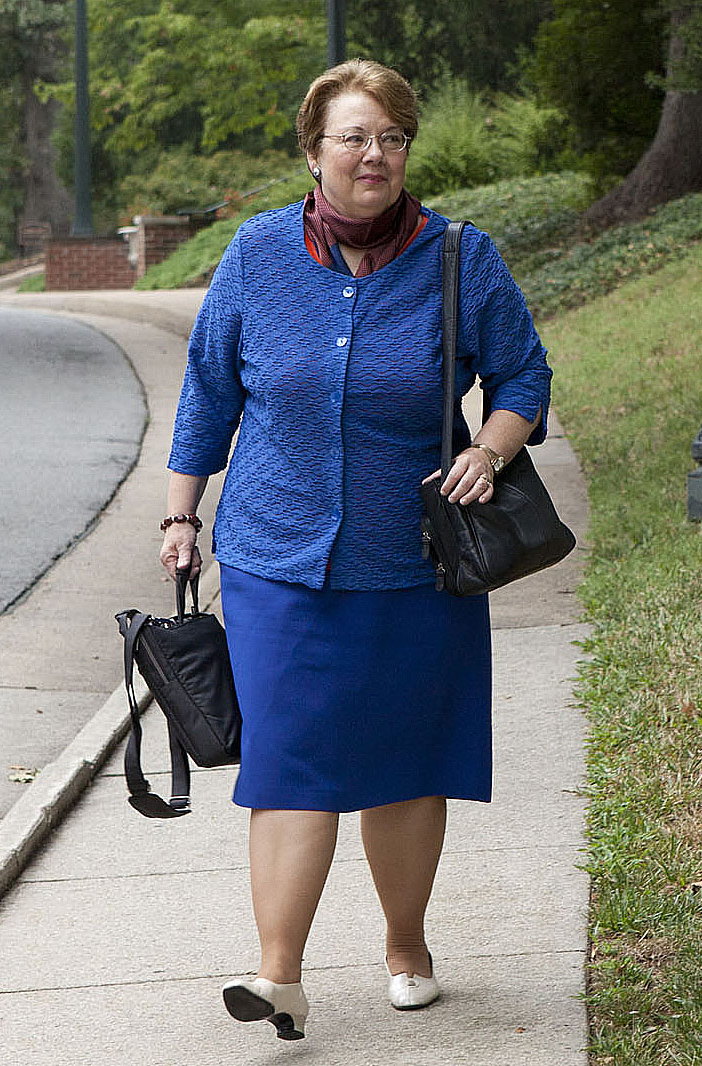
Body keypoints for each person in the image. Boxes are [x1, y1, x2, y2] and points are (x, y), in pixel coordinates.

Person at [159, 58, 552, 1042]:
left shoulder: (462, 256)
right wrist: (181, 515)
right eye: (354, 138)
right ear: (313, 150)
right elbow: (210, 390)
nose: (374, 155)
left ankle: (407, 943)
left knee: (406, 764)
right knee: (289, 762)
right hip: (274, 558)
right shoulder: (255, 255)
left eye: (391, 137)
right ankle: (279, 975)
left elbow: (524, 376)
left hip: (416, 558)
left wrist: (490, 448)